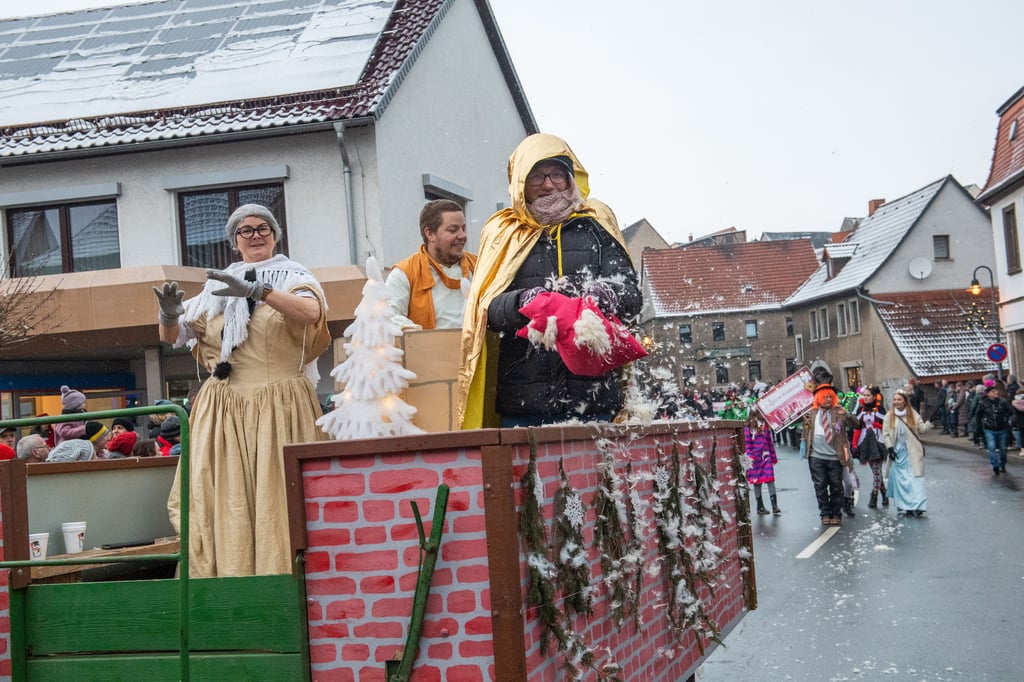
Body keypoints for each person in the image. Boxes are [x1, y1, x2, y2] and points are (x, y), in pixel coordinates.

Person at [154, 203, 330, 577]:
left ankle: (283, 585)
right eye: (245, 230)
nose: (255, 235)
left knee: (278, 500)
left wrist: (260, 290)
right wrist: (169, 316)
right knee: (223, 502)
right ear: (235, 241)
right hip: (223, 410)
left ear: (275, 235)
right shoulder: (214, 287)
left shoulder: (293, 276)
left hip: (279, 403)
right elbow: (175, 336)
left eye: (263, 228)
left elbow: (312, 313)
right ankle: (226, 587)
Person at [455, 133, 642, 428]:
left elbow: (633, 296)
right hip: (525, 399)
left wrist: (610, 294)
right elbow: (487, 310)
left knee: (594, 475)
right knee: (525, 475)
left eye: (557, 173)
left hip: (593, 397)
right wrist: (521, 303)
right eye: (537, 176)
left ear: (571, 179)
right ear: (520, 184)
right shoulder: (503, 232)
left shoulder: (597, 226)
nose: (548, 183)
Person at [386, 199, 478, 330]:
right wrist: (419, 336)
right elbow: (388, 315)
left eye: (463, 229)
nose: (462, 235)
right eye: (453, 230)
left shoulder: (479, 266)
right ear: (430, 234)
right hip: (428, 350)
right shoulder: (405, 273)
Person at [802, 367, 857, 527]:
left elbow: (856, 424)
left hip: (835, 456)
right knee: (820, 487)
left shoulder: (838, 412)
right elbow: (799, 426)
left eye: (829, 397)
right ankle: (824, 513)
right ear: (818, 397)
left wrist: (846, 413)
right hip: (816, 457)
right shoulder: (810, 413)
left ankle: (836, 513)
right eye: (824, 396)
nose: (827, 399)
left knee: (835, 487)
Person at [882, 389, 930, 516]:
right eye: (895, 400)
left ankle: (918, 505)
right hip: (898, 452)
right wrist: (890, 448)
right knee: (901, 481)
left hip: (912, 452)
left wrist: (930, 422)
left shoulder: (912, 414)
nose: (896, 402)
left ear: (905, 401)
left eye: (899, 399)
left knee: (915, 479)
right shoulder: (889, 416)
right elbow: (886, 433)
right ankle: (906, 506)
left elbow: (922, 429)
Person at [852, 386, 888, 509]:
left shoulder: (880, 410)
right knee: (875, 471)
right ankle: (884, 493)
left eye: (868, 395)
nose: (865, 397)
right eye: (864, 395)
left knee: (877, 471)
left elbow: (887, 425)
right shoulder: (860, 410)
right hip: (865, 442)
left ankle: (874, 495)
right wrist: (854, 444)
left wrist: (878, 425)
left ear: (874, 397)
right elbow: (856, 428)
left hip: (878, 441)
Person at [745, 412, 780, 515]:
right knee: (757, 482)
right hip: (755, 459)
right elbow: (747, 444)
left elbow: (770, 443)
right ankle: (760, 506)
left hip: (766, 457)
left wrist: (773, 457)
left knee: (770, 480)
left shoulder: (765, 426)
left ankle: (774, 506)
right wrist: (750, 456)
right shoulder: (748, 429)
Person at [975, 384, 1012, 475]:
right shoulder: (983, 403)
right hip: (989, 429)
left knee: (1003, 449)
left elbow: (1011, 412)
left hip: (1002, 428)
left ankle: (1002, 464)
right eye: (993, 391)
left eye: (996, 391)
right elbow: (978, 415)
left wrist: (1007, 420)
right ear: (988, 394)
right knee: (991, 447)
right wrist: (981, 425)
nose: (996, 392)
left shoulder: (1003, 402)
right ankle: (995, 465)